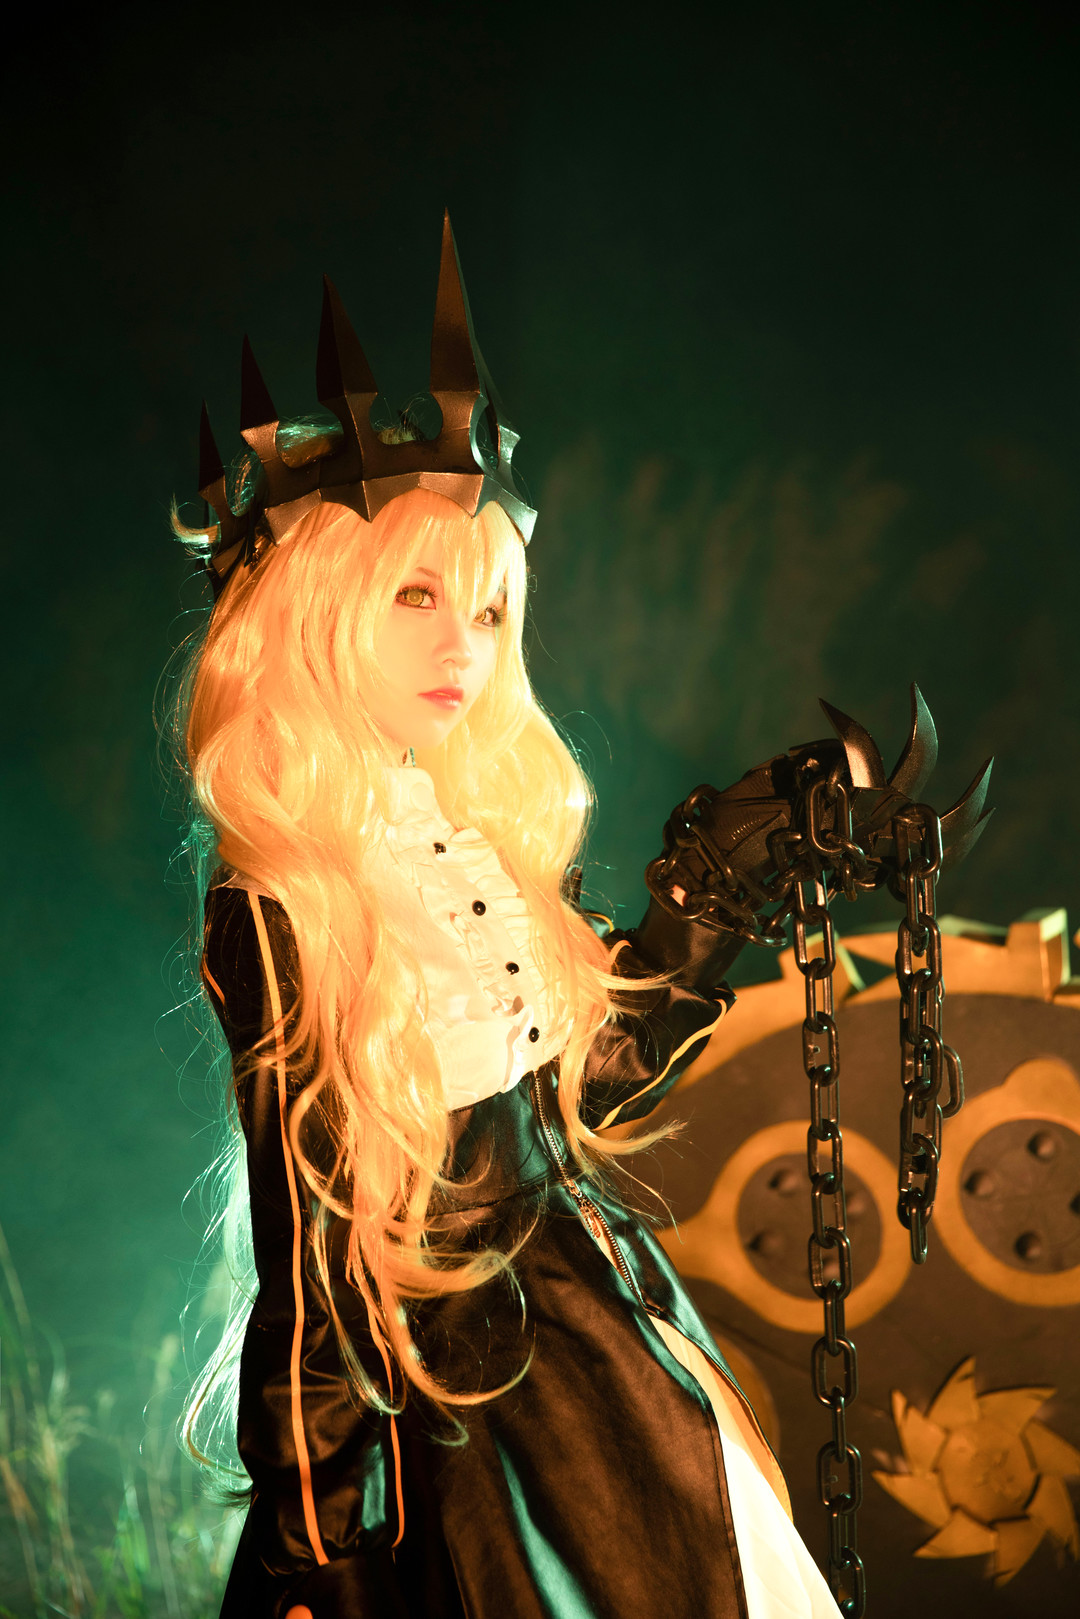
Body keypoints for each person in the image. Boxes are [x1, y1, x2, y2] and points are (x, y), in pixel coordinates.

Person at [173, 216, 845, 1619]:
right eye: (415, 596)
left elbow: (573, 1095)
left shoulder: (468, 834)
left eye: (486, 611)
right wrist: (317, 1524)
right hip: (458, 1398)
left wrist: (707, 897)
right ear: (311, 613)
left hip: (607, 1336)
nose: (460, 648)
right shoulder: (285, 896)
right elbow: (311, 1245)